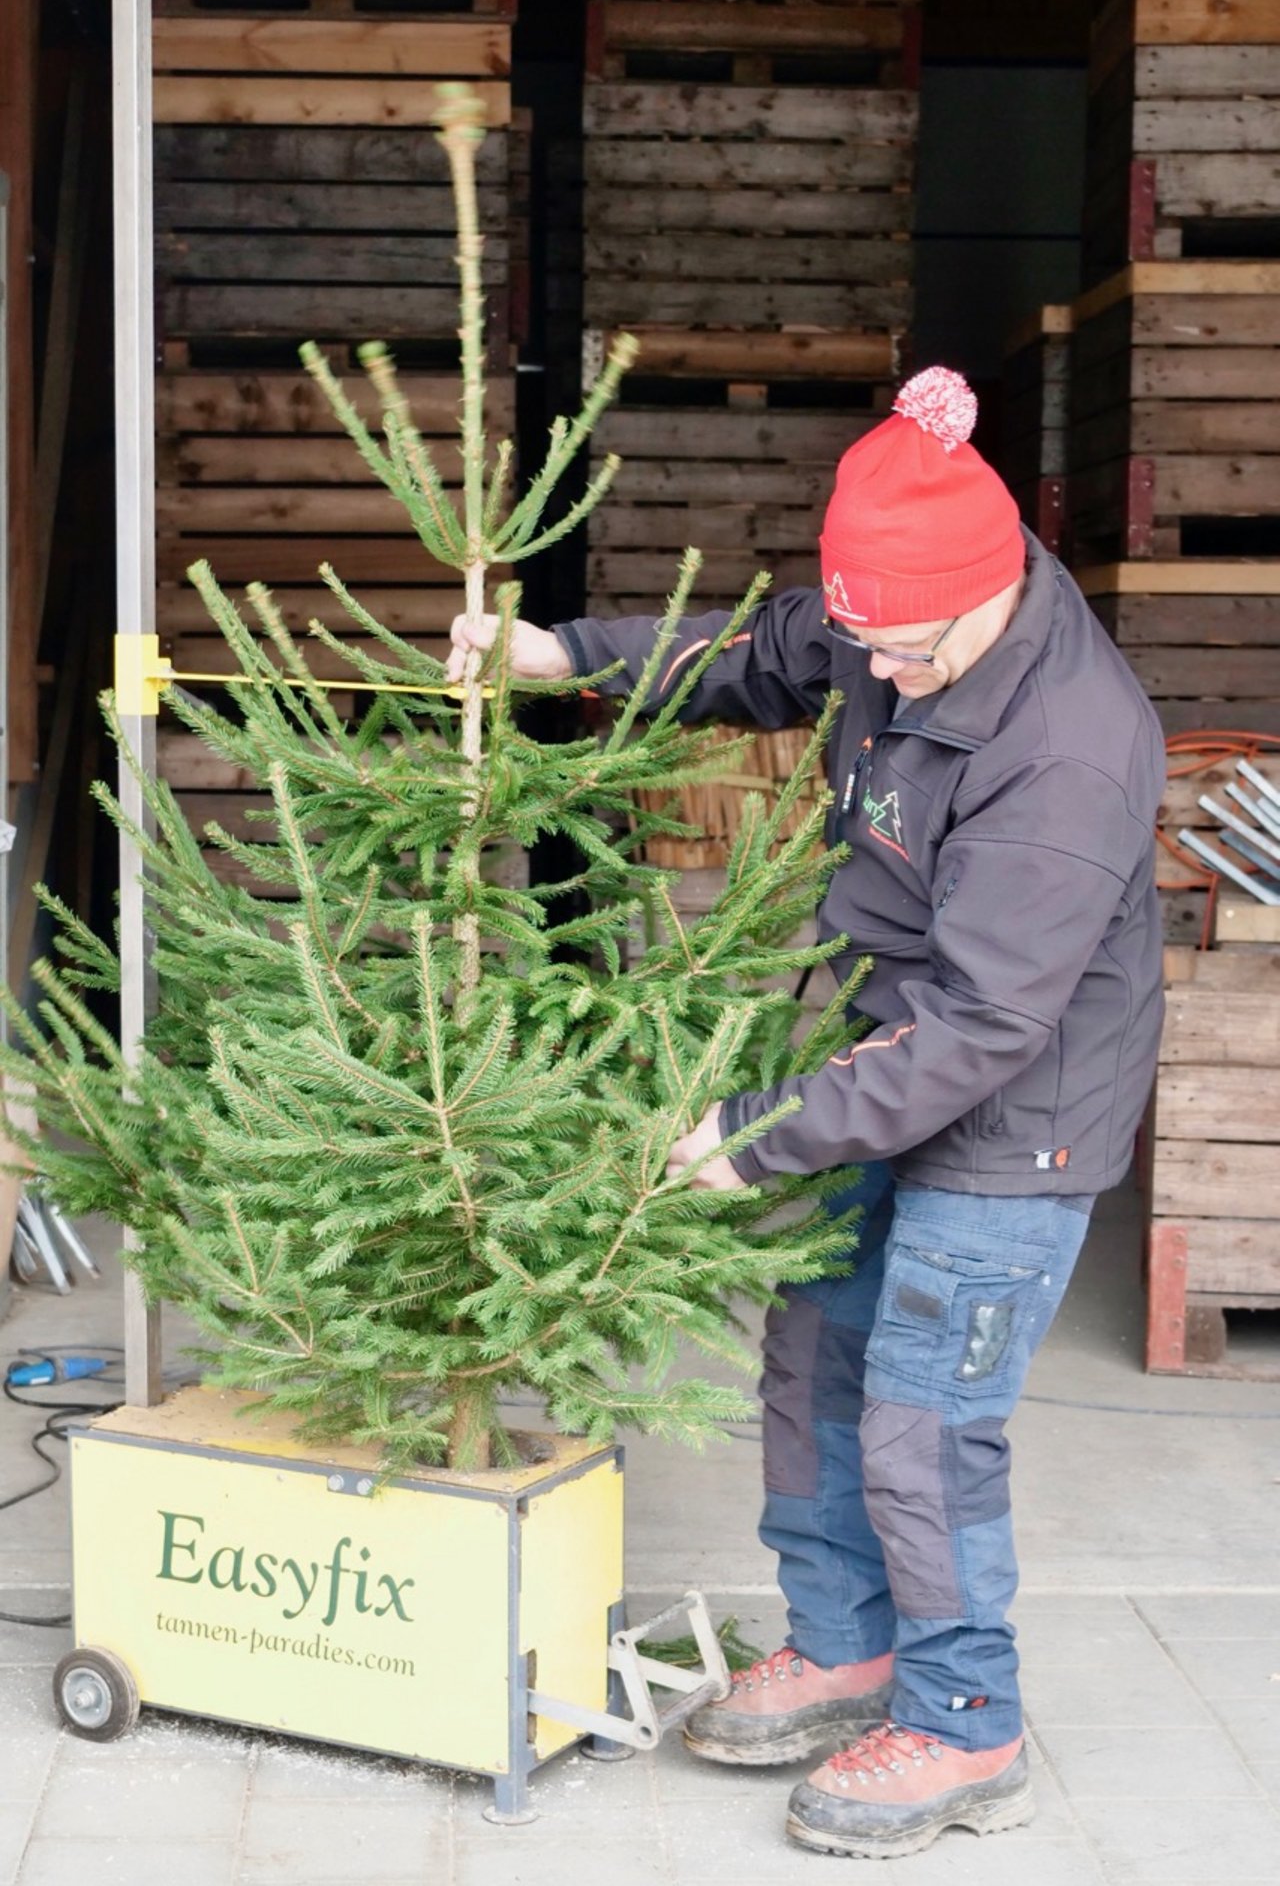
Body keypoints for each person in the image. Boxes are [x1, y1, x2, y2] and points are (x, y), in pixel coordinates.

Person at [447, 366, 1165, 1860]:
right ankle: (846, 1647)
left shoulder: (1072, 750)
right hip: (875, 1052)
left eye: (909, 655)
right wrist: (557, 650)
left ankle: (971, 1726)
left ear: (985, 606)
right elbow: (755, 652)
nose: (878, 678)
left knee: (925, 1419)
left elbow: (981, 1025)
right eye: (869, 646)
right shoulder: (881, 621)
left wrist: (757, 1136)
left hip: (1012, 1110)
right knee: (814, 1355)